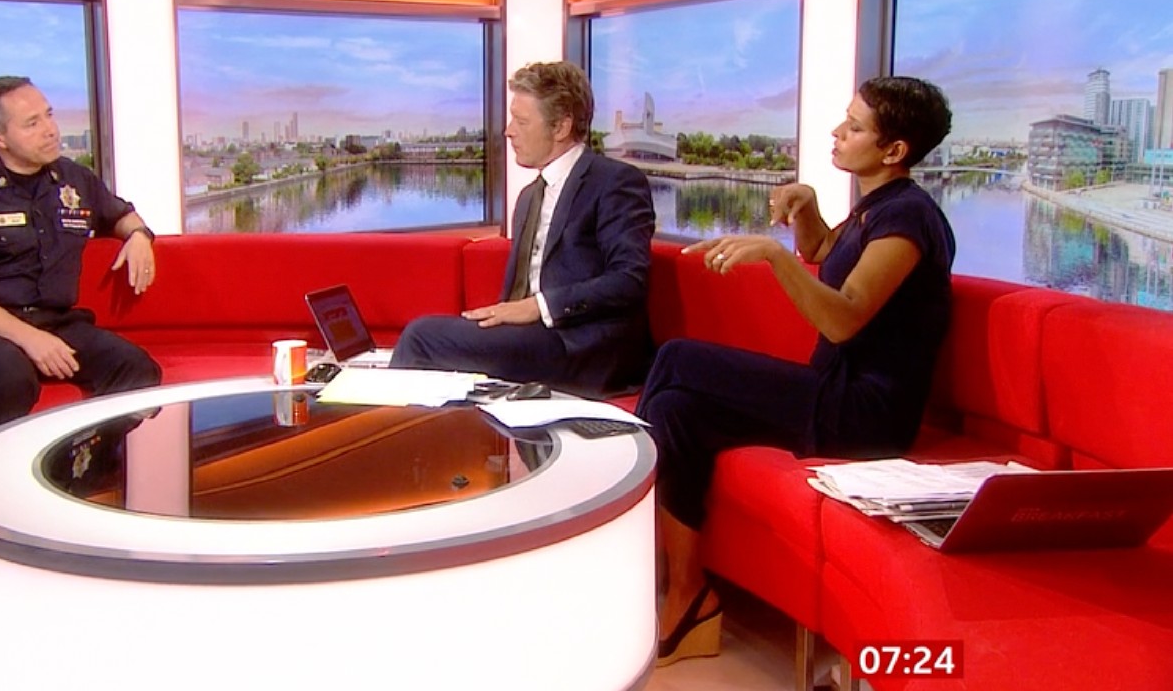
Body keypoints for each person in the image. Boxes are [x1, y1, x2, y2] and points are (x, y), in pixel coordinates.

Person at [637, 76, 955, 665]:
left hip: (867, 413)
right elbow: (827, 255)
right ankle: (685, 591)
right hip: (832, 393)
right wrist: (806, 210)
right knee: (674, 410)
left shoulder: (910, 219)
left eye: (855, 127)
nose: (838, 132)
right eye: (845, 119)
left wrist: (775, 256)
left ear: (894, 151)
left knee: (678, 357)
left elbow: (845, 320)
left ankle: (631, 559)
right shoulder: (877, 207)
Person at [389, 61, 655, 397]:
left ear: (560, 127)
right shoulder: (530, 196)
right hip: (533, 340)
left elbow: (629, 281)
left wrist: (538, 307)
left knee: (421, 337)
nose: (508, 131)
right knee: (445, 349)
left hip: (582, 347)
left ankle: (377, 439)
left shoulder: (614, 182)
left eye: (522, 121)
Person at [0, 76, 162, 437]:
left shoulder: (74, 179)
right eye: (32, 124)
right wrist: (29, 339)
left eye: (49, 116)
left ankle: (88, 470)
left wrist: (140, 236)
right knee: (11, 375)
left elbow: (121, 216)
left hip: (58, 322)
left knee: (136, 368)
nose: (50, 130)